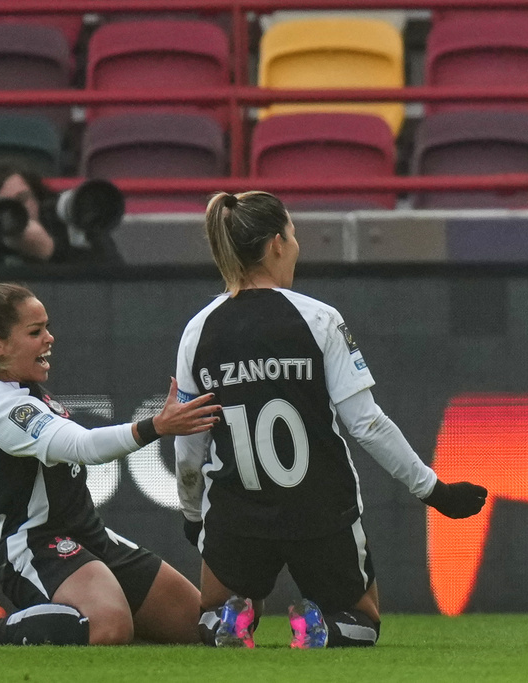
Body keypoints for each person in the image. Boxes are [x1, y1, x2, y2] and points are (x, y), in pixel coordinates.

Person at [174, 191, 489, 649]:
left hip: (237, 511)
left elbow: (189, 439)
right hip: (319, 511)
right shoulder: (320, 319)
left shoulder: (197, 330)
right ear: (277, 244)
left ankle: (233, 618)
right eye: (295, 234)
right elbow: (368, 424)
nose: (297, 245)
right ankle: (318, 625)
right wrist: (433, 490)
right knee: (364, 621)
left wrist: (190, 512)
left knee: (213, 610)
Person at [0, 275, 221, 646]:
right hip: (36, 544)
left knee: (197, 626)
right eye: (35, 332)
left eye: (46, 328)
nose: (49, 338)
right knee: (109, 626)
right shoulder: (2, 406)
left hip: (88, 534)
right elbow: (84, 446)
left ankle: (81, 614)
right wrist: (157, 425)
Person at [0, 159, 124, 268]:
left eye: (23, 198)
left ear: (37, 199)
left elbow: (116, 279)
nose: (18, 210)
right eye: (5, 204)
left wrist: (52, 253)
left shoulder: (61, 226)